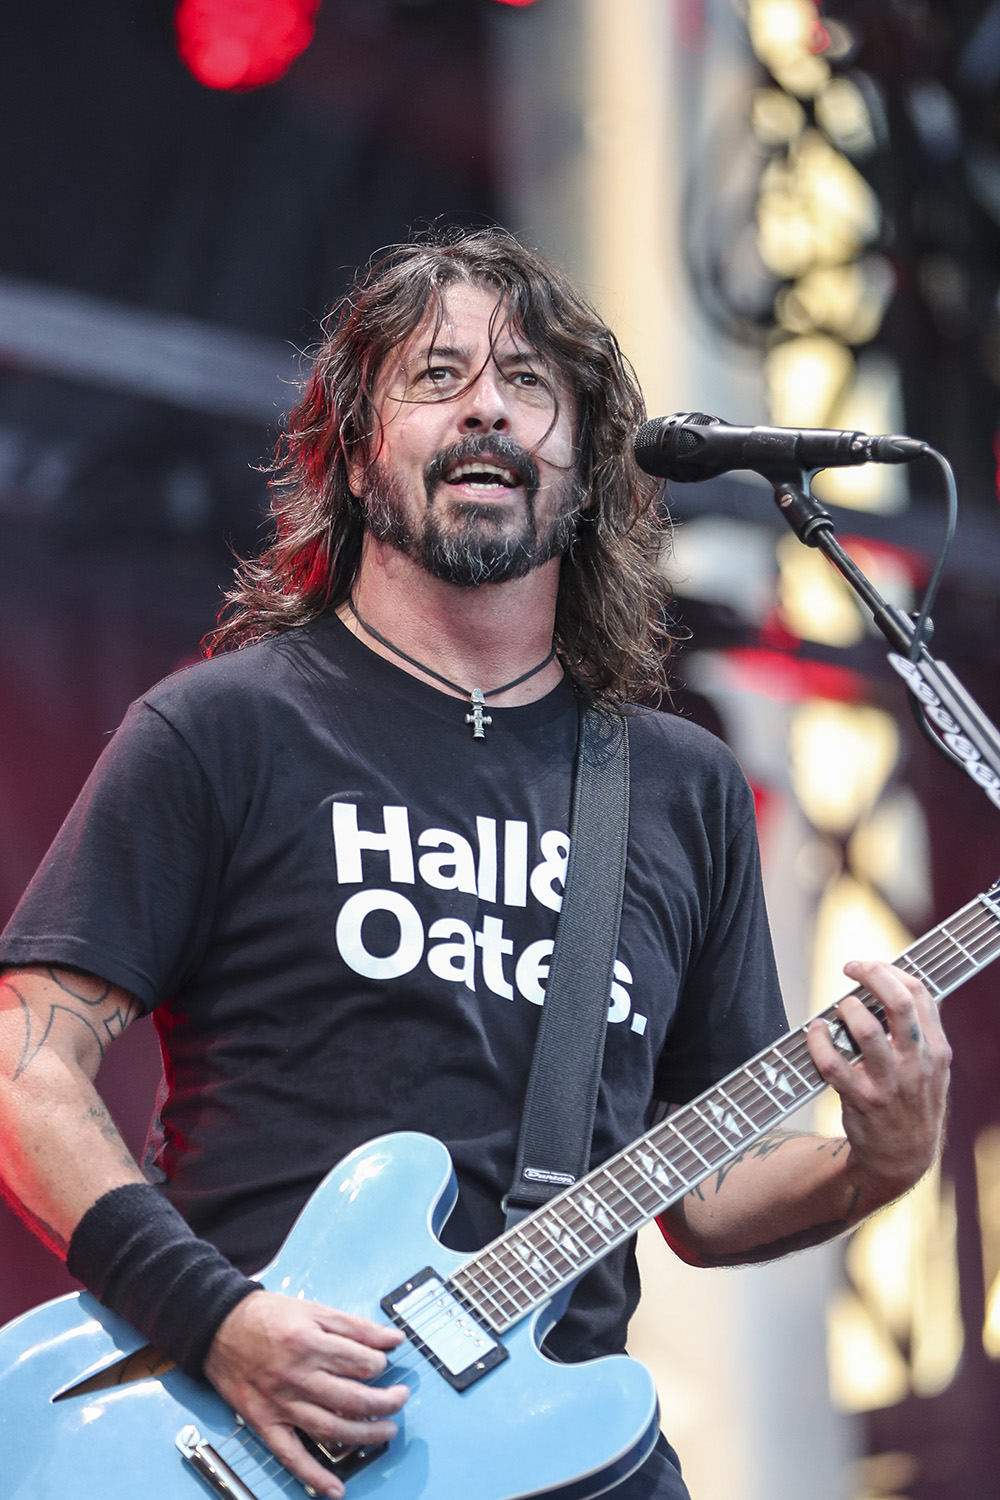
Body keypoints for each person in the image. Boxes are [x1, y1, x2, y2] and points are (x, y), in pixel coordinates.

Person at [0, 227, 950, 1500]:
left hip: (559, 1445)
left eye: (531, 383)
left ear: (585, 464)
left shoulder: (679, 788)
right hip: (242, 1432)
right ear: (354, 449)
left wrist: (877, 1158)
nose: (488, 408)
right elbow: (26, 1071)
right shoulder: (225, 728)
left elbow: (710, 1197)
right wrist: (215, 1321)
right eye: (436, 377)